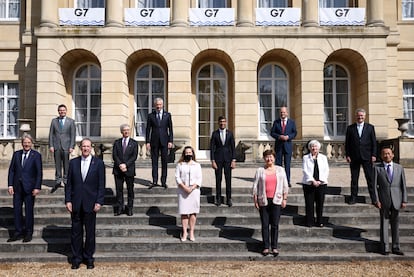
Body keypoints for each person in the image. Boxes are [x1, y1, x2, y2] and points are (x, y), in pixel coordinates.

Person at [65, 138, 105, 270]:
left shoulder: (98, 163)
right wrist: (68, 200)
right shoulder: (73, 163)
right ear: (80, 148)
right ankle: (76, 258)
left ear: (91, 147)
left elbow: (101, 185)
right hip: (76, 203)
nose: (86, 148)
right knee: (76, 233)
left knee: (90, 233)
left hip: (91, 203)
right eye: (83, 146)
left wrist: (99, 201)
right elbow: (69, 184)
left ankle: (89, 258)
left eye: (88, 146)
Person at [369, 147, 407, 256]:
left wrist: (404, 200)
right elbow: (374, 186)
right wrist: (376, 200)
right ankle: (384, 247)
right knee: (384, 223)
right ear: (381, 156)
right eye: (384, 154)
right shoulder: (377, 168)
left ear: (393, 155)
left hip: (397, 199)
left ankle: (396, 247)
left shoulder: (399, 168)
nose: (387, 155)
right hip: (383, 200)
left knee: (395, 224)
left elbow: (403, 185)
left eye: (389, 153)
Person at [252, 149, 289, 257]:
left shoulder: (280, 170)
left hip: (276, 199)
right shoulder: (259, 170)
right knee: (264, 224)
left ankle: (274, 246)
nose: (269, 159)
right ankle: (266, 247)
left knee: (275, 224)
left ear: (274, 158)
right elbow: (255, 186)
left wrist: (285, 198)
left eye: (271, 157)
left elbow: (285, 185)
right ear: (264, 159)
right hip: (263, 200)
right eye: (267, 157)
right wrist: (255, 200)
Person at [7, 134, 43, 243]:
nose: (26, 144)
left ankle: (28, 233)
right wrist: (10, 185)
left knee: (28, 211)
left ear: (31, 143)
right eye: (25, 142)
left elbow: (39, 173)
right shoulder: (16, 154)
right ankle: (18, 232)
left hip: (30, 188)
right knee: (17, 211)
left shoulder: (36, 155)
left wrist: (37, 187)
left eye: (28, 142)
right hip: (17, 188)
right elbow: (12, 171)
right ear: (22, 143)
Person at [345, 108, 377, 204]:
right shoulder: (350, 128)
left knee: (370, 179)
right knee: (354, 179)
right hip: (354, 157)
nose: (360, 117)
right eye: (358, 115)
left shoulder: (370, 127)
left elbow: (374, 143)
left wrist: (374, 154)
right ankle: (353, 197)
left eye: (362, 116)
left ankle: (374, 198)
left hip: (367, 156)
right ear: (356, 116)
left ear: (365, 116)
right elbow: (347, 143)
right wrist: (348, 155)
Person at [146, 97, 174, 189]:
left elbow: (170, 129)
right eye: (157, 105)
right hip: (154, 142)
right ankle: (154, 181)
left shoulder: (167, 115)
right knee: (154, 162)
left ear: (163, 105)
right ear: (154, 105)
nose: (158, 106)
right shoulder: (151, 116)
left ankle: (163, 181)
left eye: (160, 105)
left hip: (164, 141)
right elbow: (147, 129)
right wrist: (147, 142)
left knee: (164, 162)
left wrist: (170, 141)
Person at [175, 146, 202, 242]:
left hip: (194, 191)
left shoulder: (197, 165)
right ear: (184, 154)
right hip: (183, 191)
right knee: (184, 212)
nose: (188, 154)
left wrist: (192, 188)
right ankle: (184, 231)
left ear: (192, 154)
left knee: (193, 212)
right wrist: (185, 187)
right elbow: (177, 178)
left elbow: (199, 179)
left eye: (190, 152)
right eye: (186, 152)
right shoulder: (180, 164)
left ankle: (191, 232)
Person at [301, 140, 329, 227]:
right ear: (309, 148)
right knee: (309, 203)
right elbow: (305, 170)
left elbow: (326, 170)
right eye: (312, 146)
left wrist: (320, 180)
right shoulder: (306, 158)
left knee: (320, 203)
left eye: (316, 146)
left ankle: (319, 220)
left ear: (319, 148)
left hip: (321, 183)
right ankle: (310, 221)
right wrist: (312, 180)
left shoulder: (323, 157)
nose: (314, 148)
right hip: (309, 184)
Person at [49, 104, 76, 192]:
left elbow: (73, 135)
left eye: (63, 110)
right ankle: (58, 180)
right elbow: (51, 134)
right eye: (60, 110)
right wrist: (51, 145)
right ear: (58, 111)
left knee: (66, 164)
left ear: (66, 111)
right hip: (57, 146)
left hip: (66, 146)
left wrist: (72, 146)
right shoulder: (54, 121)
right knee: (57, 164)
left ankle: (66, 180)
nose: (62, 112)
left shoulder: (71, 122)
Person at [210, 116, 236, 207]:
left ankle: (229, 199)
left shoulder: (230, 134)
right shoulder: (215, 134)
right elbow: (212, 148)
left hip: (228, 160)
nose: (222, 123)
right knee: (218, 179)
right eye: (221, 121)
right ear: (218, 123)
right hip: (218, 159)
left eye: (224, 121)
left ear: (226, 122)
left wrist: (233, 160)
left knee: (228, 180)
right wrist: (212, 160)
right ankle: (218, 198)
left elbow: (233, 148)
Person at [112, 124, 138, 216]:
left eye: (128, 130)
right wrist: (120, 164)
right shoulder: (117, 142)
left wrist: (125, 165)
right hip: (118, 170)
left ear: (130, 131)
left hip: (129, 169)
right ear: (121, 132)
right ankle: (120, 208)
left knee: (130, 190)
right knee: (119, 190)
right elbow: (114, 155)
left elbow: (134, 156)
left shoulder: (134, 143)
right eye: (124, 130)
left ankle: (130, 208)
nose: (126, 131)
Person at [270, 106, 297, 187]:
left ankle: (287, 181)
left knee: (287, 165)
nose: (282, 114)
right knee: (278, 165)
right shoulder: (276, 122)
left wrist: (288, 137)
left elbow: (294, 133)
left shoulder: (291, 122)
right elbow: (272, 133)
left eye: (284, 112)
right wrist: (279, 137)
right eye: (281, 112)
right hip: (279, 146)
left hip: (287, 146)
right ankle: (278, 181)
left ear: (287, 113)